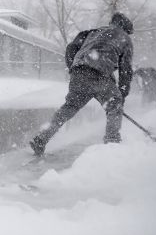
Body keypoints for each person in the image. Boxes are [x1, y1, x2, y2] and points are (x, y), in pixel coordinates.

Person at [29, 12, 134, 156]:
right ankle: (112, 146)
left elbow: (71, 48)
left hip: (79, 72)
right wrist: (121, 95)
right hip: (100, 75)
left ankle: (41, 139)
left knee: (69, 108)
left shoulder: (92, 32)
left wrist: (75, 68)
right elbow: (126, 71)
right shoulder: (124, 38)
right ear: (126, 28)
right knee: (114, 106)